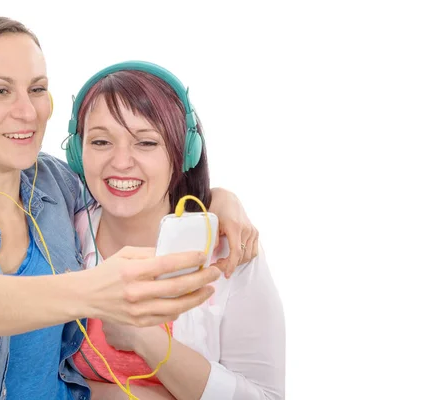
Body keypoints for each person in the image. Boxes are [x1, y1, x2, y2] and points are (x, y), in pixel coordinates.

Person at [0, 16, 260, 400]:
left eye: (37, 88)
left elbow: (130, 187)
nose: (28, 111)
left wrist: (218, 199)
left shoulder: (58, 186)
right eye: (1, 91)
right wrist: (97, 290)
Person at [65, 62, 285, 400]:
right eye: (101, 141)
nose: (121, 162)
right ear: (78, 153)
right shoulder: (60, 236)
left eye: (146, 143)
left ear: (183, 153)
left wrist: (145, 338)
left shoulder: (230, 255)